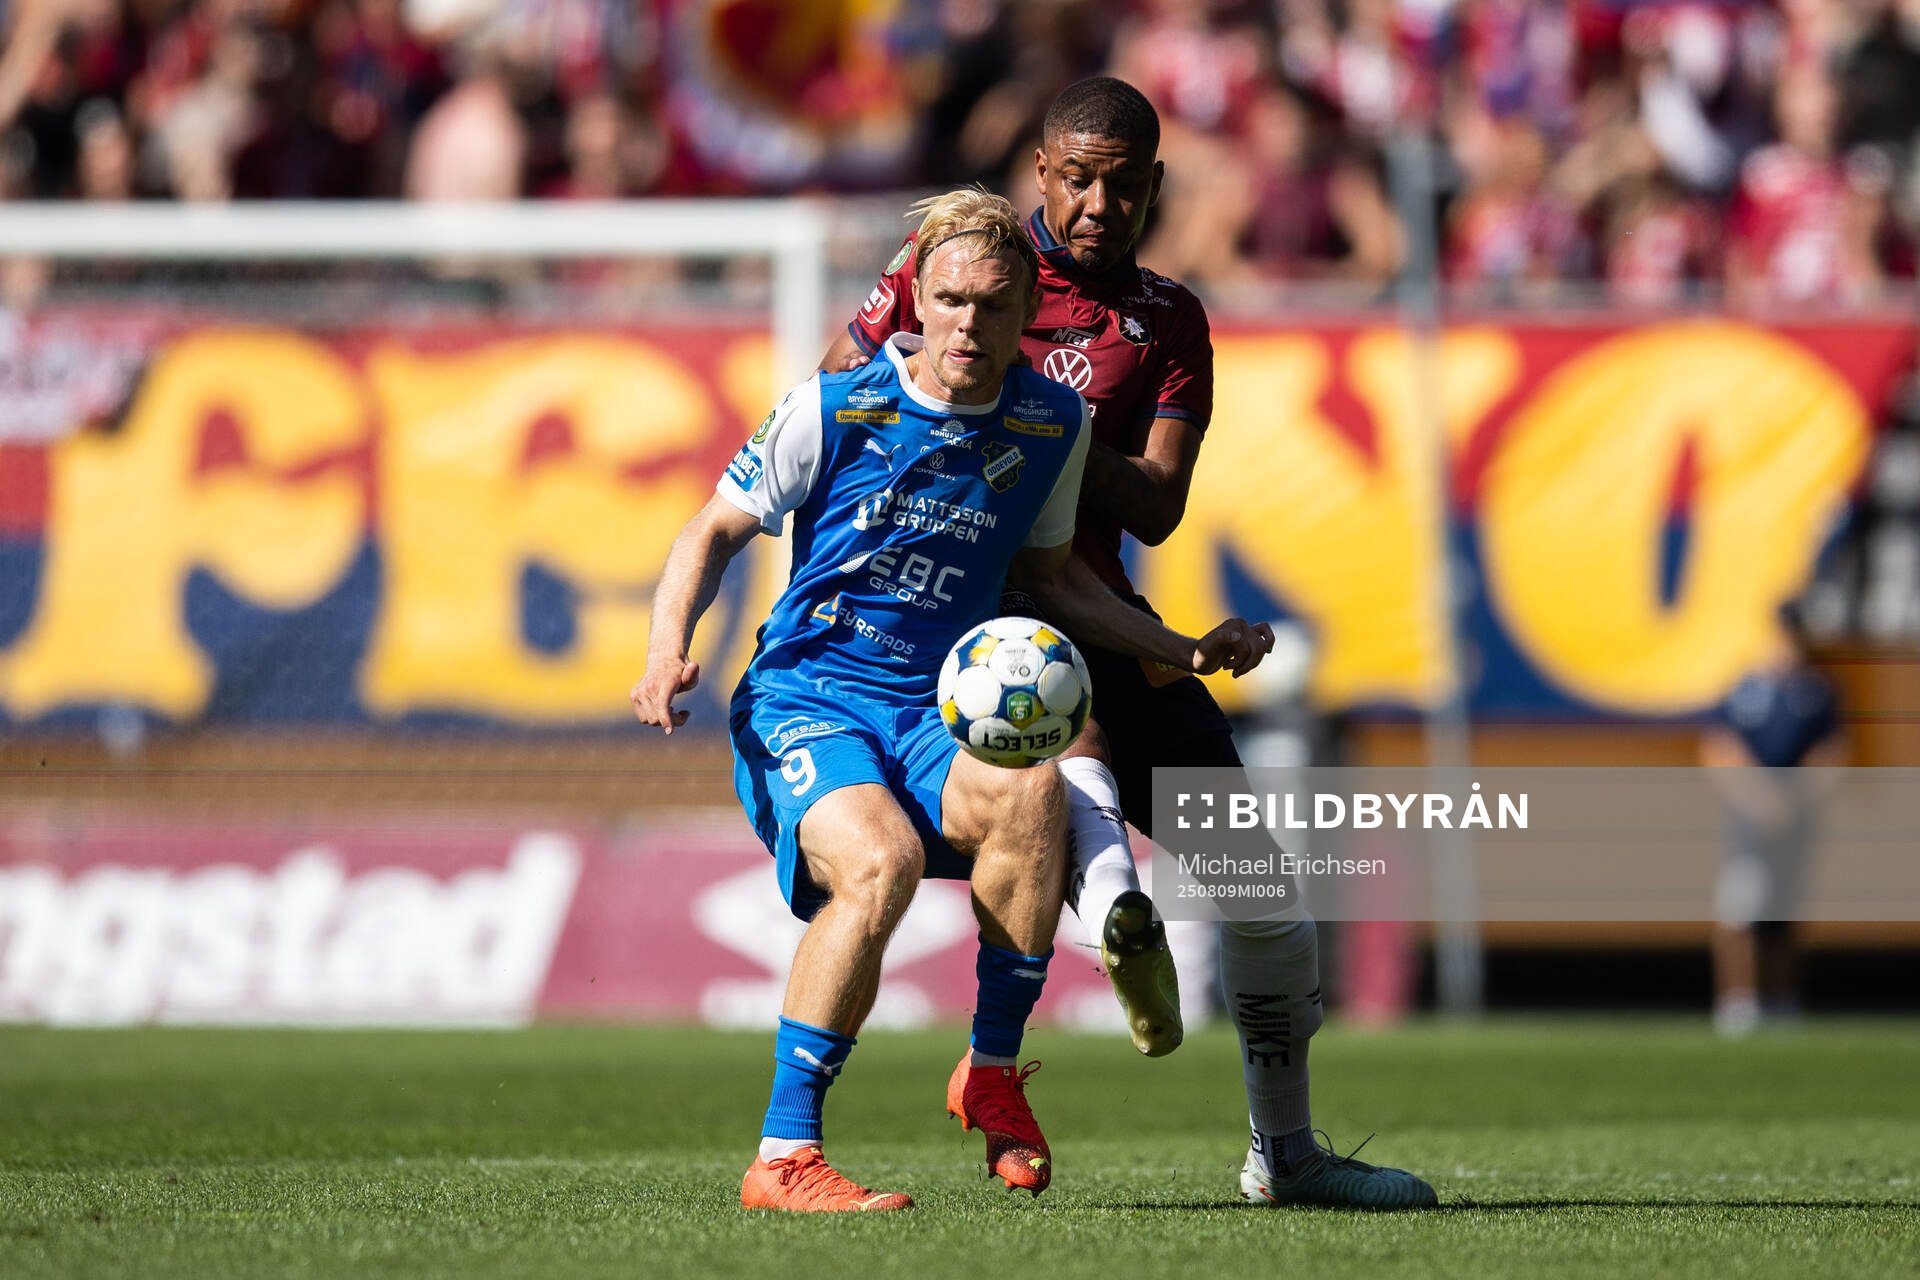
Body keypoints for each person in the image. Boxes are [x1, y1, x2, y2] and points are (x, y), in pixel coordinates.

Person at [824, 76, 1437, 1209]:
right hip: (963, 621)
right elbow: (834, 391)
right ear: (1041, 172)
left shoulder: (1168, 318)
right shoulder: (962, 266)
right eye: (1077, 179)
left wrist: (1038, 423)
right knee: (1057, 723)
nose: (1099, 204)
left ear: (1156, 185)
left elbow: (1156, 504)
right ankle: (1113, 905)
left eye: (1123, 184)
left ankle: (1285, 1153)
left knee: (1263, 891)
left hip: (1100, 610)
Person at [632, 189, 1271, 1212]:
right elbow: (711, 528)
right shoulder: (834, 406)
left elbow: (1057, 581)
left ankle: (992, 1072)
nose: (969, 324)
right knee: (878, 861)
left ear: (1028, 315)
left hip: (932, 711)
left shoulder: (1050, 423)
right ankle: (784, 1154)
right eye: (951, 300)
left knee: (1036, 795)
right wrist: (668, 650)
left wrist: (1181, 650)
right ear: (918, 301)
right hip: (809, 695)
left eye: (994, 305)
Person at [1701, 602, 1848, 1037]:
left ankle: (1782, 999)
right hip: (1748, 816)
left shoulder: (1816, 691)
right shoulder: (1746, 688)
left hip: (1795, 817)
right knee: (1739, 910)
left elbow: (1832, 751)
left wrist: (1796, 797)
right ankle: (1737, 1001)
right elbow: (1719, 747)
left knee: (1783, 911)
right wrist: (1757, 796)